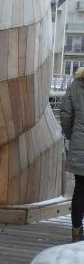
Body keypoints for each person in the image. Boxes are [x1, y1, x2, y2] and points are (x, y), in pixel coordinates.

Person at [60, 68, 84, 241]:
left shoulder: (75, 86)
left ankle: (76, 231)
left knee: (80, 190)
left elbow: (66, 114)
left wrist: (71, 135)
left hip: (80, 143)